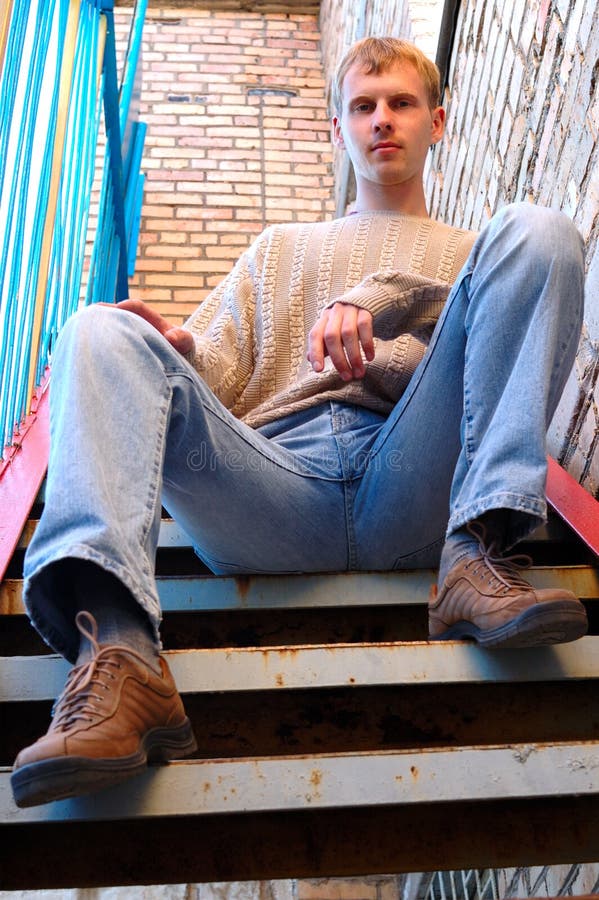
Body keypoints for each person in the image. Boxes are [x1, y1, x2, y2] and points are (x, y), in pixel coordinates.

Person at [11, 36, 588, 809]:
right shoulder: (277, 247)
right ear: (338, 130)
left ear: (437, 122)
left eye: (401, 103)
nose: (381, 120)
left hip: (414, 483)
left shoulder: (481, 254)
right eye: (362, 106)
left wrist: (379, 314)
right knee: (96, 330)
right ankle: (118, 653)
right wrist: (176, 348)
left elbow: (482, 386)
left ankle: (479, 553)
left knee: (543, 228)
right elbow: (217, 366)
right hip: (268, 493)